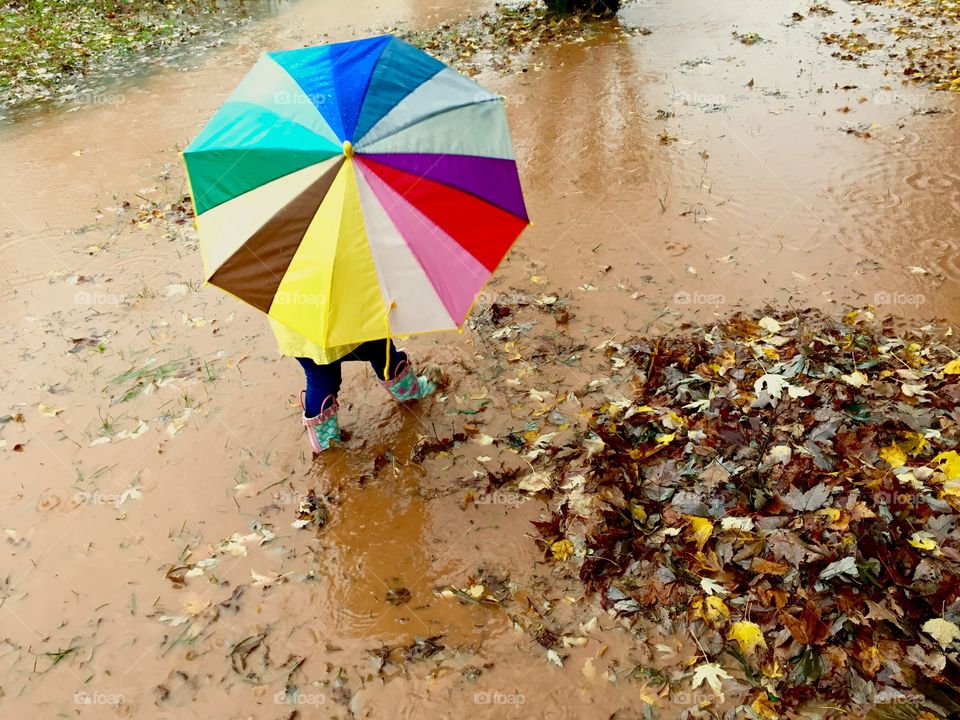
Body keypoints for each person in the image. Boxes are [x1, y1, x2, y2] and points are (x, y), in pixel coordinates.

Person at [271, 318, 436, 452]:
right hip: (345, 320)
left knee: (321, 378)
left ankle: (326, 442)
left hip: (297, 330)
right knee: (381, 349)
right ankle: (409, 392)